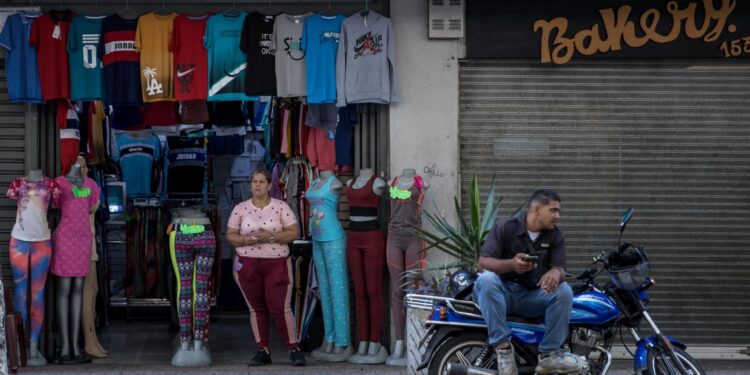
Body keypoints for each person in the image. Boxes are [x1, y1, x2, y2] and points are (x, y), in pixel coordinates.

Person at [474, 189, 585, 375]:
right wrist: (511, 264)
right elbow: (482, 263)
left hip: (531, 297)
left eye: (558, 211)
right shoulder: (505, 227)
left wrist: (555, 273)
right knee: (486, 279)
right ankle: (503, 349)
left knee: (564, 291)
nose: (557, 216)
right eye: (553, 210)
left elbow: (559, 267)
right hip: (502, 294)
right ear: (536, 210)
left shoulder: (555, 236)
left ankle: (549, 355)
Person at [226, 169, 306, 367]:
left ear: (270, 185)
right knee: (256, 308)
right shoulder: (240, 208)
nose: (257, 185)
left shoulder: (281, 207)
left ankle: (293, 348)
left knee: (280, 307)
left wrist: (270, 237)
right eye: (254, 181)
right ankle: (263, 350)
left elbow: (293, 232)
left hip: (276, 263)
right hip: (248, 264)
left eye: (262, 181)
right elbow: (230, 235)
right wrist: (244, 240)